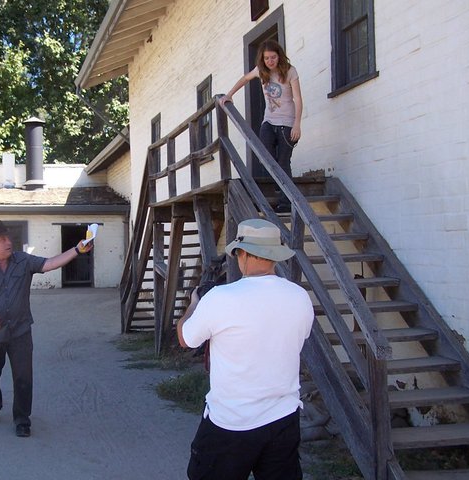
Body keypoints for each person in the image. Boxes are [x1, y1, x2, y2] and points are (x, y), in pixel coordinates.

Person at [177, 219, 314, 480]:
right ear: (274, 255)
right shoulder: (300, 296)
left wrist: (193, 305)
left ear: (244, 253)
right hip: (283, 417)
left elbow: (187, 339)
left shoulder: (220, 298)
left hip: (231, 421)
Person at [0, 220, 93, 438]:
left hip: (20, 331)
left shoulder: (23, 261)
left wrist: (76, 250)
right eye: (3, 239)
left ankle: (22, 420)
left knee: (23, 377)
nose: (9, 242)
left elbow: (51, 263)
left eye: (8, 237)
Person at [220, 40, 303, 213]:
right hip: (269, 121)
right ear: (263, 59)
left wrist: (297, 124)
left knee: (283, 162)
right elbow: (244, 78)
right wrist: (229, 94)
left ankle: (286, 202)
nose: (270, 61)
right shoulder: (261, 71)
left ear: (279, 56)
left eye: (273, 57)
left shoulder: (290, 71)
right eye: (267, 58)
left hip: (287, 123)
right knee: (264, 156)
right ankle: (281, 188)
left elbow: (298, 99)